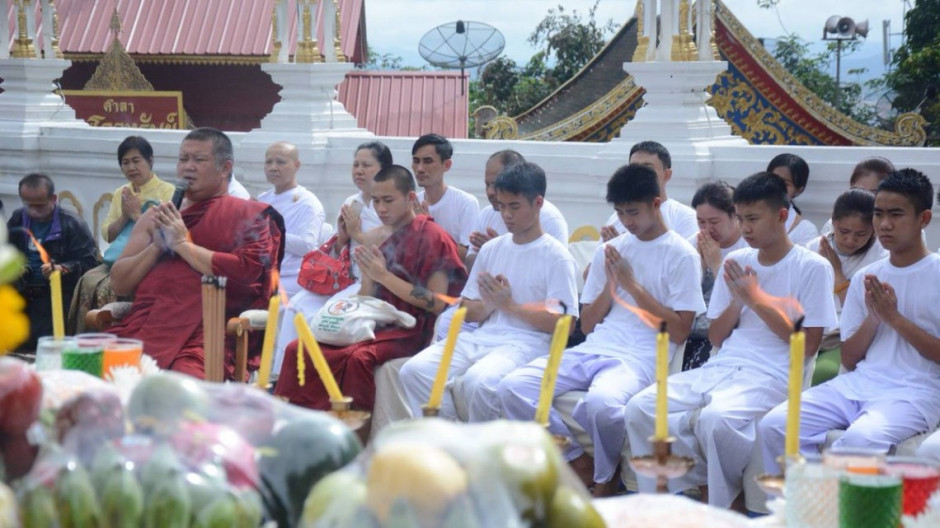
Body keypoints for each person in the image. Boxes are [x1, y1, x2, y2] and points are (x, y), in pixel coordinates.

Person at [623, 172, 837, 508]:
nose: (746, 227)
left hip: (774, 374)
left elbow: (806, 347)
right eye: (740, 218)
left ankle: (723, 504)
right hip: (723, 365)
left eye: (753, 218)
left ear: (781, 216)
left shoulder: (813, 267)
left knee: (715, 420)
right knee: (641, 407)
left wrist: (755, 299)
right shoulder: (736, 262)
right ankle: (662, 500)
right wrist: (738, 300)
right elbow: (716, 335)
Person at [500, 164, 705, 497]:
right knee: (513, 386)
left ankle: (606, 475)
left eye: (634, 212)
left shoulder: (682, 254)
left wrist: (633, 287)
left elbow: (680, 331)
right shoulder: (611, 250)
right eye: (620, 213)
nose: (627, 222)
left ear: (656, 204)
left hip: (640, 356)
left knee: (603, 404)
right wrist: (611, 285)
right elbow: (588, 324)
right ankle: (576, 462)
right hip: (596, 346)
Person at [758, 169, 940, 474]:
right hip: (859, 383)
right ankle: (801, 510)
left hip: (917, 392)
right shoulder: (868, 279)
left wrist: (895, 318)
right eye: (879, 214)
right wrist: (874, 318)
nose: (884, 224)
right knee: (776, 424)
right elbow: (850, 358)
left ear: (923, 219)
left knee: (860, 440)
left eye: (896, 214)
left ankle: (838, 514)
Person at [275, 165, 467, 411]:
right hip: (375, 320)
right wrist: (369, 280)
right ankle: (300, 419)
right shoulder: (379, 235)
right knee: (298, 348)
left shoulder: (433, 236)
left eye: (388, 200)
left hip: (409, 328)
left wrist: (383, 276)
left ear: (410, 198)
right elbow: (368, 296)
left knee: (357, 359)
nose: (381, 208)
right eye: (376, 201)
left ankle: (357, 429)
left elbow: (437, 302)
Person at [401, 161, 579, 422]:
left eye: (515, 206)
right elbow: (470, 309)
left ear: (538, 203)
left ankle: (482, 452)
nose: (507, 214)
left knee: (478, 382)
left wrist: (510, 306)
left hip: (527, 342)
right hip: (484, 336)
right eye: (502, 206)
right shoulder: (492, 249)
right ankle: (453, 442)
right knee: (414, 371)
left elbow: (565, 325)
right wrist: (489, 306)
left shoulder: (556, 256)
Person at [108, 128, 284, 379]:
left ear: (225, 168)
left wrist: (182, 244)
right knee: (90, 374)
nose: (188, 167)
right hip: (145, 326)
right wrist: (156, 247)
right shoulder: (155, 216)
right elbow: (119, 281)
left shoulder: (248, 215)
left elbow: (247, 277)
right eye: (183, 159)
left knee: (179, 386)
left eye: (199, 160)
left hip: (208, 334)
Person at [270, 142, 393, 377]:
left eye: (366, 165)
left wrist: (357, 234)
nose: (359, 170)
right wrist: (342, 239)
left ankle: (316, 375)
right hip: (345, 277)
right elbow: (340, 249)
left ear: (384, 168)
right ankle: (283, 375)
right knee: (296, 306)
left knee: (324, 316)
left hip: (375, 281)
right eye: (355, 164)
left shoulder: (389, 204)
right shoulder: (352, 202)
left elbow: (392, 247)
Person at [433, 149, 570, 341]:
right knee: (445, 326)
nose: (491, 192)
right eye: (487, 184)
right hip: (488, 310)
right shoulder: (487, 214)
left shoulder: (550, 220)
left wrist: (506, 300)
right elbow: (472, 268)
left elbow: (545, 273)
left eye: (496, 184)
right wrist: (492, 252)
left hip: (526, 322)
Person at [67, 136, 174, 333]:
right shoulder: (121, 193)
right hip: (118, 257)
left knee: (111, 286)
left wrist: (137, 215)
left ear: (150, 161)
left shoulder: (168, 192)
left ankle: (121, 332)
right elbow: (108, 234)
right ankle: (87, 337)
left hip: (150, 259)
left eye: (136, 161)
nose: (131, 167)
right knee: (88, 280)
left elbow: (167, 234)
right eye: (125, 163)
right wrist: (125, 216)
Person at [7, 173, 99, 350]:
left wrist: (62, 268)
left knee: (46, 349)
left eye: (40, 206)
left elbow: (90, 263)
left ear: (54, 199)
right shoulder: (18, 219)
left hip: (56, 298)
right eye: (28, 205)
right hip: (21, 294)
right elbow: (6, 251)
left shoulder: (72, 224)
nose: (34, 211)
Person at [805, 189, 887, 385]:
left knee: (823, 374)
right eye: (844, 232)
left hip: (848, 335)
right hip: (811, 330)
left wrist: (837, 274)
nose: (851, 240)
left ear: (873, 229)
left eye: (861, 234)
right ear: (833, 221)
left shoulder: (881, 256)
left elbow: (866, 311)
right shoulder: (812, 249)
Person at [682, 181, 747, 371]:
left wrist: (717, 265)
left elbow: (744, 301)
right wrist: (699, 267)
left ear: (734, 215)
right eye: (701, 222)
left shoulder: (748, 247)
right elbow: (682, 297)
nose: (707, 229)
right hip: (688, 329)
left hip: (726, 333)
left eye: (714, 222)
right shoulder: (691, 244)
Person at [257, 141, 325, 297]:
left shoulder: (308, 202)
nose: (273, 167)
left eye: (280, 162)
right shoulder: (263, 198)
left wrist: (269, 231)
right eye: (269, 162)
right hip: (262, 271)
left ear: (296, 165)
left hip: (291, 278)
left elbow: (307, 246)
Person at [600, 141, 698, 241]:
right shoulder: (615, 220)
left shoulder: (685, 218)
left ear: (667, 175)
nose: (639, 175)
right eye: (634, 168)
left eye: (647, 168)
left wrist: (624, 250)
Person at [411, 134, 479, 260]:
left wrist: (430, 228)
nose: (419, 168)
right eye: (416, 161)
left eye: (428, 161)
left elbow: (466, 254)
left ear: (447, 165)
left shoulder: (466, 203)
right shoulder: (412, 203)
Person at [820, 157, 895, 235]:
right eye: (859, 191)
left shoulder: (893, 227)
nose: (865, 197)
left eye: (873, 193)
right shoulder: (836, 224)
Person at [766, 153, 819, 246]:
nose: (776, 186)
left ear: (798, 190)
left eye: (785, 184)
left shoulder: (806, 230)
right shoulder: (745, 214)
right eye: (773, 179)